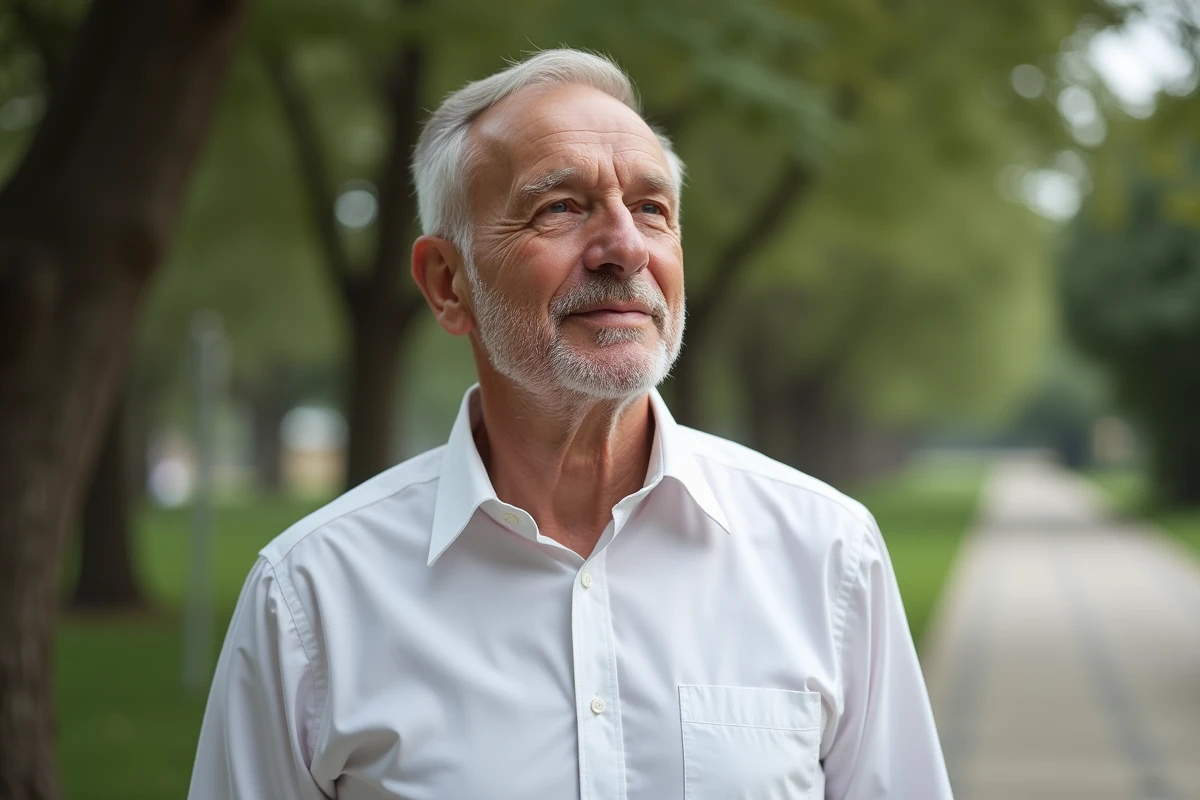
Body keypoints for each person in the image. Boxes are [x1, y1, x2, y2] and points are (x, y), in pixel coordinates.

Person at [188, 48, 953, 799]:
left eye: (652, 209)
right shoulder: (310, 599)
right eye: (560, 207)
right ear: (448, 284)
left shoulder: (828, 557)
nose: (625, 247)